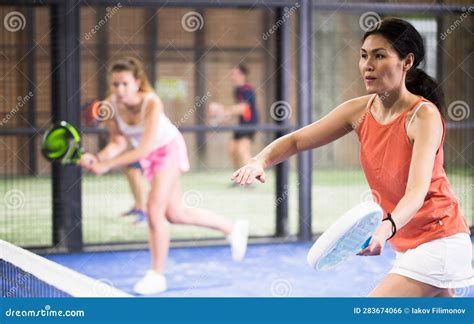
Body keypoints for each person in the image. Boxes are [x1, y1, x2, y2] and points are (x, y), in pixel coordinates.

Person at [231, 18, 472, 297]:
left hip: (439, 239)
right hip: (407, 244)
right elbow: (297, 140)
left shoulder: (423, 116)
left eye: (379, 56)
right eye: (363, 55)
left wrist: (384, 229)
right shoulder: (358, 111)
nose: (367, 65)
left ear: (407, 62)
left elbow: (416, 192)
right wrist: (258, 160)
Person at [78, 57, 249, 295]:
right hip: (151, 156)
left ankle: (157, 276)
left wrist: (106, 165)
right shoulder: (111, 105)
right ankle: (232, 227)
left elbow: (143, 148)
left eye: (125, 83)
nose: (119, 89)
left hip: (167, 148)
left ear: (137, 82)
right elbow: (117, 142)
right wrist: (98, 158)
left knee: (154, 209)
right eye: (115, 84)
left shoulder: (152, 103)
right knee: (175, 214)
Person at [209, 64, 259, 172]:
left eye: (234, 73)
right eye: (232, 74)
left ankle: (250, 177)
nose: (232, 76)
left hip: (250, 124)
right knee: (232, 149)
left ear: (242, 75)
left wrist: (222, 109)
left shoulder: (247, 89)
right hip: (241, 124)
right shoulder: (237, 90)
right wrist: (224, 117)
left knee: (242, 149)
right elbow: (237, 110)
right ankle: (239, 177)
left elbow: (244, 107)